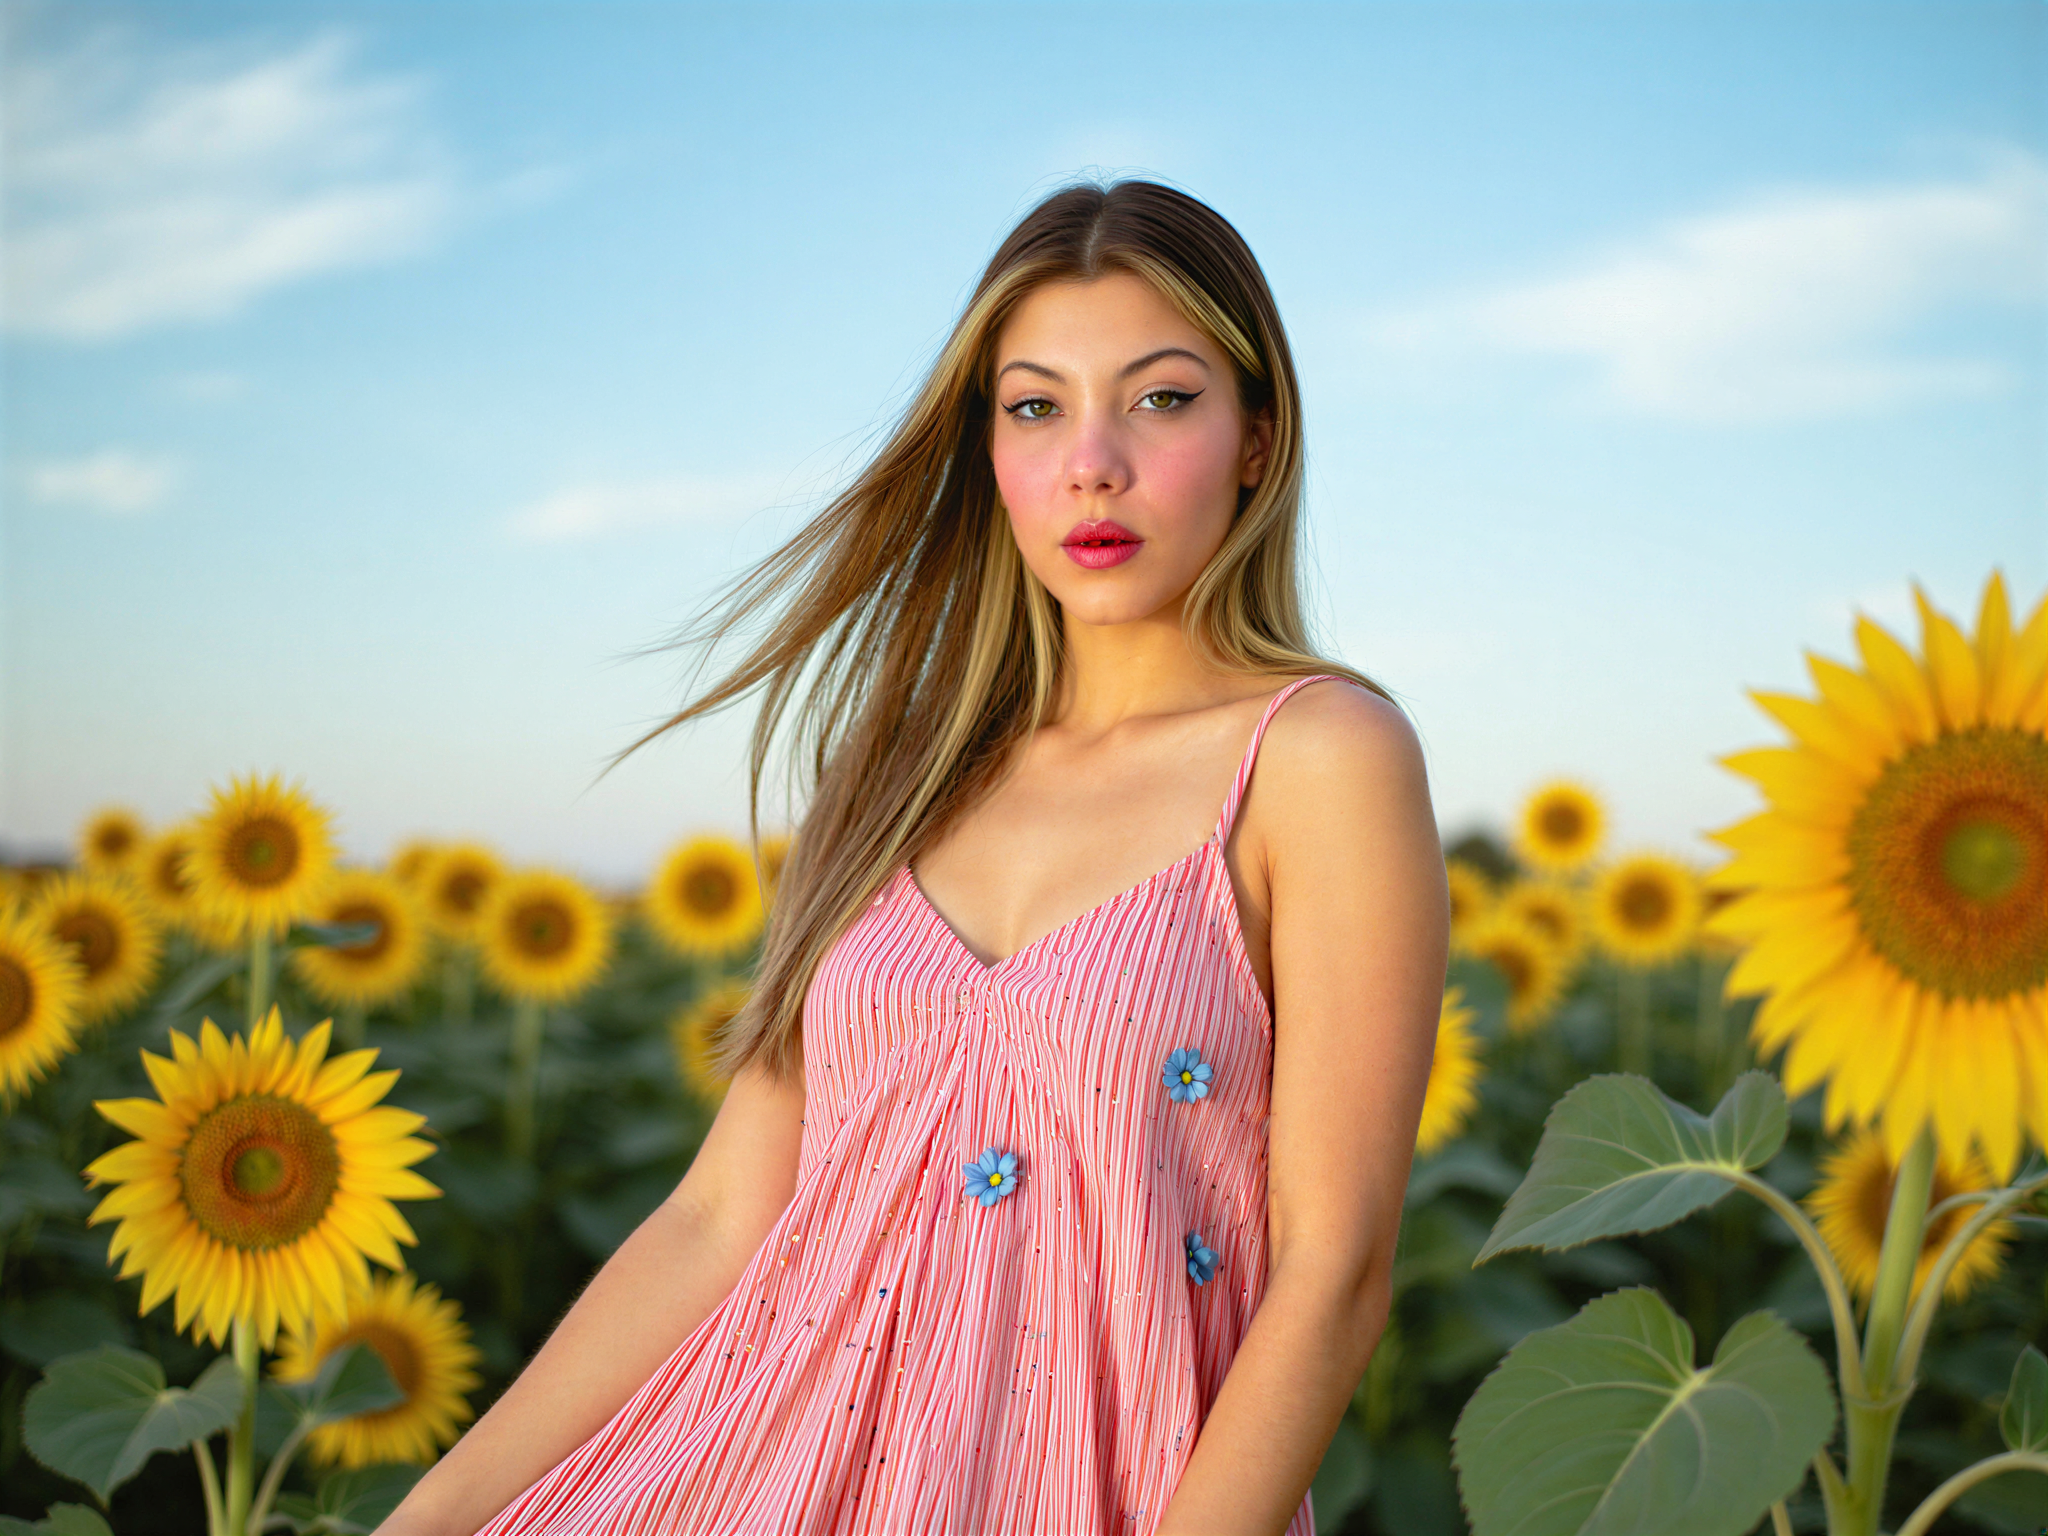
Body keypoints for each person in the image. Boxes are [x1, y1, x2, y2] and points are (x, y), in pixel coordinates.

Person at [378, 178, 1449, 1536]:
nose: (1093, 463)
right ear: (987, 448)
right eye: (1036, 407)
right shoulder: (897, 773)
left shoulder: (1319, 759)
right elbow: (720, 1219)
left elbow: (1332, 1274)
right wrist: (423, 1520)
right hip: (752, 1483)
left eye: (1162, 398)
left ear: (1257, 438)